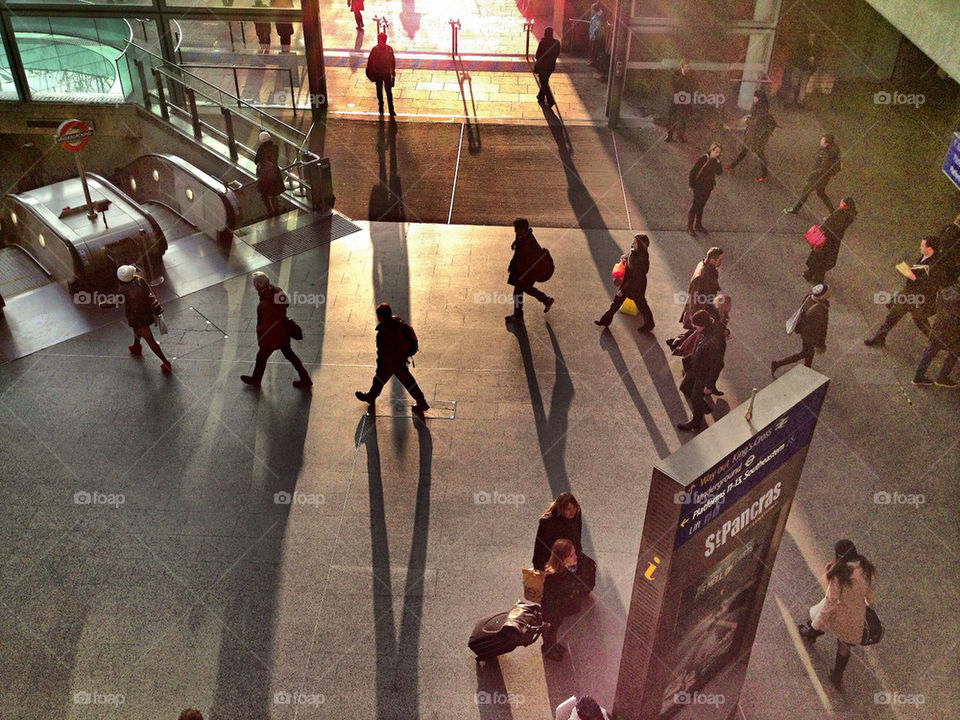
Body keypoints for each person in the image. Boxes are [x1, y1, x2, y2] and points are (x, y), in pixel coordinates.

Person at [798, 539, 876, 688]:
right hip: (855, 615)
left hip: (839, 611)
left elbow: (831, 601)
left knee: (822, 620)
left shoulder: (840, 574)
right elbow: (870, 597)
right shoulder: (867, 569)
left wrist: (830, 573)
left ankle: (811, 633)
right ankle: (837, 675)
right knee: (844, 644)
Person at [865, 236, 948, 347]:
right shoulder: (925, 256)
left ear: (930, 248)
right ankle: (879, 338)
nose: (920, 247)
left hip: (917, 299)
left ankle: (937, 342)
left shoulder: (934, 265)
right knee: (893, 317)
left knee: (921, 323)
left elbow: (928, 285)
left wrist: (911, 275)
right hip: (909, 295)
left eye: (923, 245)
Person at [355, 302, 430, 416]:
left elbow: (382, 353)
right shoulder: (398, 321)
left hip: (390, 363)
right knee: (407, 381)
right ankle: (421, 402)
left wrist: (380, 365)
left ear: (380, 316)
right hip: (400, 359)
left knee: (380, 380)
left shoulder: (382, 332)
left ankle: (371, 397)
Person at [240, 272, 312, 389]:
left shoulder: (263, 305)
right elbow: (286, 303)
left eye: (254, 284)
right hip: (283, 331)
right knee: (290, 355)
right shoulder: (277, 291)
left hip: (271, 337)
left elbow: (267, 325)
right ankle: (305, 378)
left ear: (258, 286)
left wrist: (260, 331)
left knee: (261, 357)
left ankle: (256, 380)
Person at [595, 233, 654, 332]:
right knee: (617, 303)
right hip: (631, 283)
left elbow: (636, 278)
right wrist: (625, 257)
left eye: (635, 242)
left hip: (636, 286)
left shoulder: (641, 259)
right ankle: (605, 320)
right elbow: (630, 257)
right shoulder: (636, 252)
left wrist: (623, 290)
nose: (632, 243)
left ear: (640, 245)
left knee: (641, 305)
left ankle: (649, 324)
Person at [117, 265, 171, 373]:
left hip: (137, 317)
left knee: (150, 339)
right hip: (146, 313)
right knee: (136, 329)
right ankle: (136, 346)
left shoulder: (123, 290)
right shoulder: (140, 280)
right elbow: (150, 294)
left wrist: (102, 304)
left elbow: (116, 302)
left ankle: (166, 362)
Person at [677, 310, 725, 432]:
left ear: (702, 324)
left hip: (704, 372)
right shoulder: (706, 330)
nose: (695, 327)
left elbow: (717, 364)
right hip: (696, 367)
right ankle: (703, 407)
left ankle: (696, 422)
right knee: (685, 387)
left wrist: (709, 384)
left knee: (695, 396)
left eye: (696, 325)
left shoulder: (714, 339)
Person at [541, 538, 585, 660]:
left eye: (574, 553)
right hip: (553, 612)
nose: (575, 557)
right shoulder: (553, 577)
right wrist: (548, 617)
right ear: (562, 559)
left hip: (560, 609)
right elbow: (547, 598)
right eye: (571, 555)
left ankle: (553, 645)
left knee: (556, 628)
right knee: (552, 630)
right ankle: (548, 650)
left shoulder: (567, 569)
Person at [771, 284, 830, 375]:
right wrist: (821, 344)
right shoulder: (821, 310)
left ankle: (807, 368)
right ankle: (778, 364)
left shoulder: (808, 297)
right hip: (810, 335)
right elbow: (822, 328)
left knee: (809, 353)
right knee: (804, 353)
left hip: (804, 330)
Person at [912, 279, 960, 387]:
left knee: (931, 350)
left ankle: (918, 376)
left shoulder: (946, 291)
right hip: (953, 331)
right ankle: (942, 378)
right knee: (955, 352)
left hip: (939, 326)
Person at [505, 217, 555, 323]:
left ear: (522, 228)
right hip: (526, 271)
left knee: (519, 291)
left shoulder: (526, 241)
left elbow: (522, 258)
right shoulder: (524, 236)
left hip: (525, 272)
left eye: (516, 228)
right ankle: (546, 300)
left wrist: (515, 268)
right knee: (526, 288)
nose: (515, 230)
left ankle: (518, 315)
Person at [724, 87, 777, 181]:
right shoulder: (761, 106)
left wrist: (747, 120)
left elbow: (757, 122)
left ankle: (765, 174)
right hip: (753, 134)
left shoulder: (761, 108)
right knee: (746, 151)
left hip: (756, 135)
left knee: (758, 153)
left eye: (755, 97)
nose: (753, 98)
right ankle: (731, 166)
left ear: (758, 98)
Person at [804, 197, 857, 284]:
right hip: (834, 241)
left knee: (817, 257)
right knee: (823, 259)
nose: (840, 203)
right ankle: (815, 276)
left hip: (826, 240)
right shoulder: (849, 215)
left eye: (842, 202)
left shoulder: (840, 213)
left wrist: (825, 224)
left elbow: (831, 226)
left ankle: (810, 275)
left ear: (845, 205)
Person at [784, 134, 841, 215]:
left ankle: (795, 209)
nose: (821, 140)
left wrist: (813, 173)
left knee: (805, 192)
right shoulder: (826, 150)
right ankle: (833, 212)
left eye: (823, 139)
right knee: (821, 193)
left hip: (817, 178)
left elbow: (823, 169)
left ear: (826, 143)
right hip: (823, 179)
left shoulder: (827, 154)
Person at [532, 492, 583, 571]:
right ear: (561, 509)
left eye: (574, 507)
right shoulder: (548, 522)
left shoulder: (576, 514)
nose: (572, 511)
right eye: (568, 509)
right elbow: (539, 546)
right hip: (554, 563)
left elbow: (577, 535)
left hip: (571, 559)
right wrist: (539, 567)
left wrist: (578, 554)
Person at [679, 247, 723, 329]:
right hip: (699, 314)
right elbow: (702, 299)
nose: (721, 262)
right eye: (719, 260)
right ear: (712, 260)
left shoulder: (703, 265)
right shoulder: (705, 275)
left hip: (698, 312)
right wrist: (714, 316)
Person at [687, 142, 723, 236]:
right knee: (695, 206)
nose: (718, 154)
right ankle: (690, 226)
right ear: (712, 150)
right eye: (716, 152)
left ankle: (698, 225)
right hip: (699, 186)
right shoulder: (704, 159)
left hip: (708, 187)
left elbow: (719, 173)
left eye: (719, 153)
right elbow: (693, 172)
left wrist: (719, 163)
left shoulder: (716, 161)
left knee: (701, 206)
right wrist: (691, 185)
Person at [778, 31, 820, 108]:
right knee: (794, 84)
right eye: (811, 34)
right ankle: (789, 101)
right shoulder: (802, 44)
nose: (812, 36)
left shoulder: (816, 46)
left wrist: (813, 65)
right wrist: (808, 58)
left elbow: (818, 56)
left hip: (807, 69)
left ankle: (800, 102)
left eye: (814, 34)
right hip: (798, 67)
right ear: (808, 35)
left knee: (803, 86)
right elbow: (797, 54)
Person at [366, 33, 397, 117]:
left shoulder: (380, 49)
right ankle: (382, 106)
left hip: (385, 73)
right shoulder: (379, 49)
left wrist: (393, 70)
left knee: (387, 91)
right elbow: (370, 62)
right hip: (379, 73)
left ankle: (390, 108)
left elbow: (392, 60)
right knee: (381, 91)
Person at [254, 131, 284, 217]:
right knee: (273, 193)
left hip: (265, 176)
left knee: (264, 195)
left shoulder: (261, 149)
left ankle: (270, 211)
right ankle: (276, 210)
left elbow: (256, 161)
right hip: (275, 174)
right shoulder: (275, 147)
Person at [665, 59, 695, 143]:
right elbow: (673, 86)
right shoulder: (675, 74)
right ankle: (669, 136)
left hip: (685, 101)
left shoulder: (690, 77)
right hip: (676, 99)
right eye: (686, 67)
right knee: (672, 118)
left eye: (689, 67)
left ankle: (680, 136)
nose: (688, 69)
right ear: (682, 66)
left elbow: (691, 88)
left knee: (683, 119)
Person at [534, 27, 561, 107]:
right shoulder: (556, 43)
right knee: (544, 81)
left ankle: (550, 100)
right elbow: (557, 54)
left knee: (544, 83)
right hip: (551, 67)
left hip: (542, 66)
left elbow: (537, 55)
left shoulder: (542, 42)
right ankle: (540, 97)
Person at [588, 4, 604, 68]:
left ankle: (594, 62)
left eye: (592, 9)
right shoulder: (596, 15)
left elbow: (598, 25)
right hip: (594, 34)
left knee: (595, 49)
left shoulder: (598, 16)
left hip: (595, 35)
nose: (591, 10)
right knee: (593, 48)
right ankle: (593, 61)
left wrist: (595, 32)